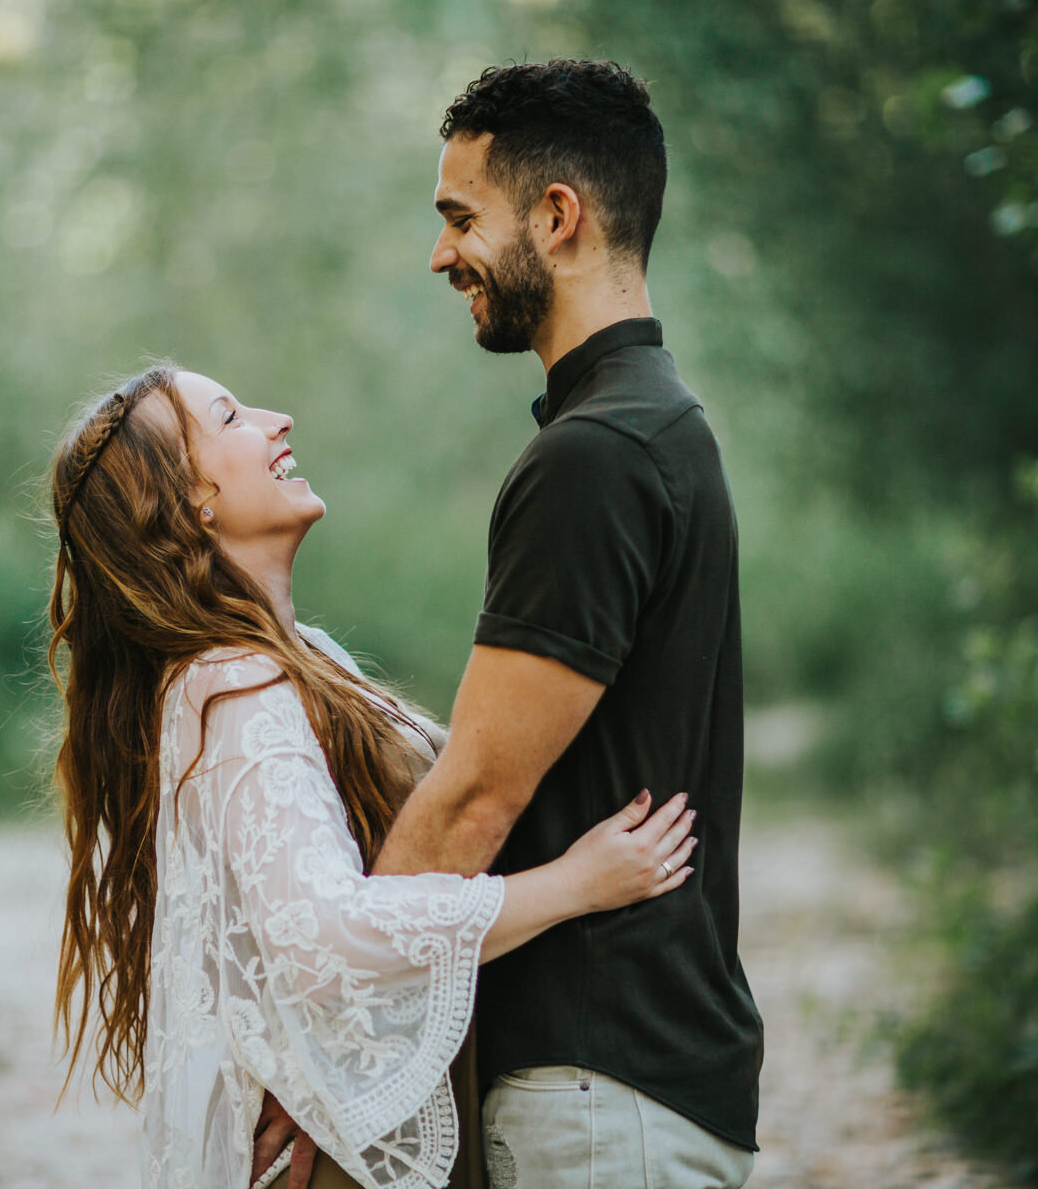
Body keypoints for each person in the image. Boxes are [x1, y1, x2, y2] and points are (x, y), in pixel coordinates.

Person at [45, 363, 700, 1189]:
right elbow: (324, 940)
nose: (277, 418)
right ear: (187, 498)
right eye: (232, 418)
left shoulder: (303, 659)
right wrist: (575, 884)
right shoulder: (234, 691)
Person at [365, 60, 766, 1189]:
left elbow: (474, 800)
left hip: (598, 1098)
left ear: (558, 216)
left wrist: (342, 1047)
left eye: (459, 218)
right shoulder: (659, 427)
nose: (442, 255)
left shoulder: (593, 458)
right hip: (637, 1086)